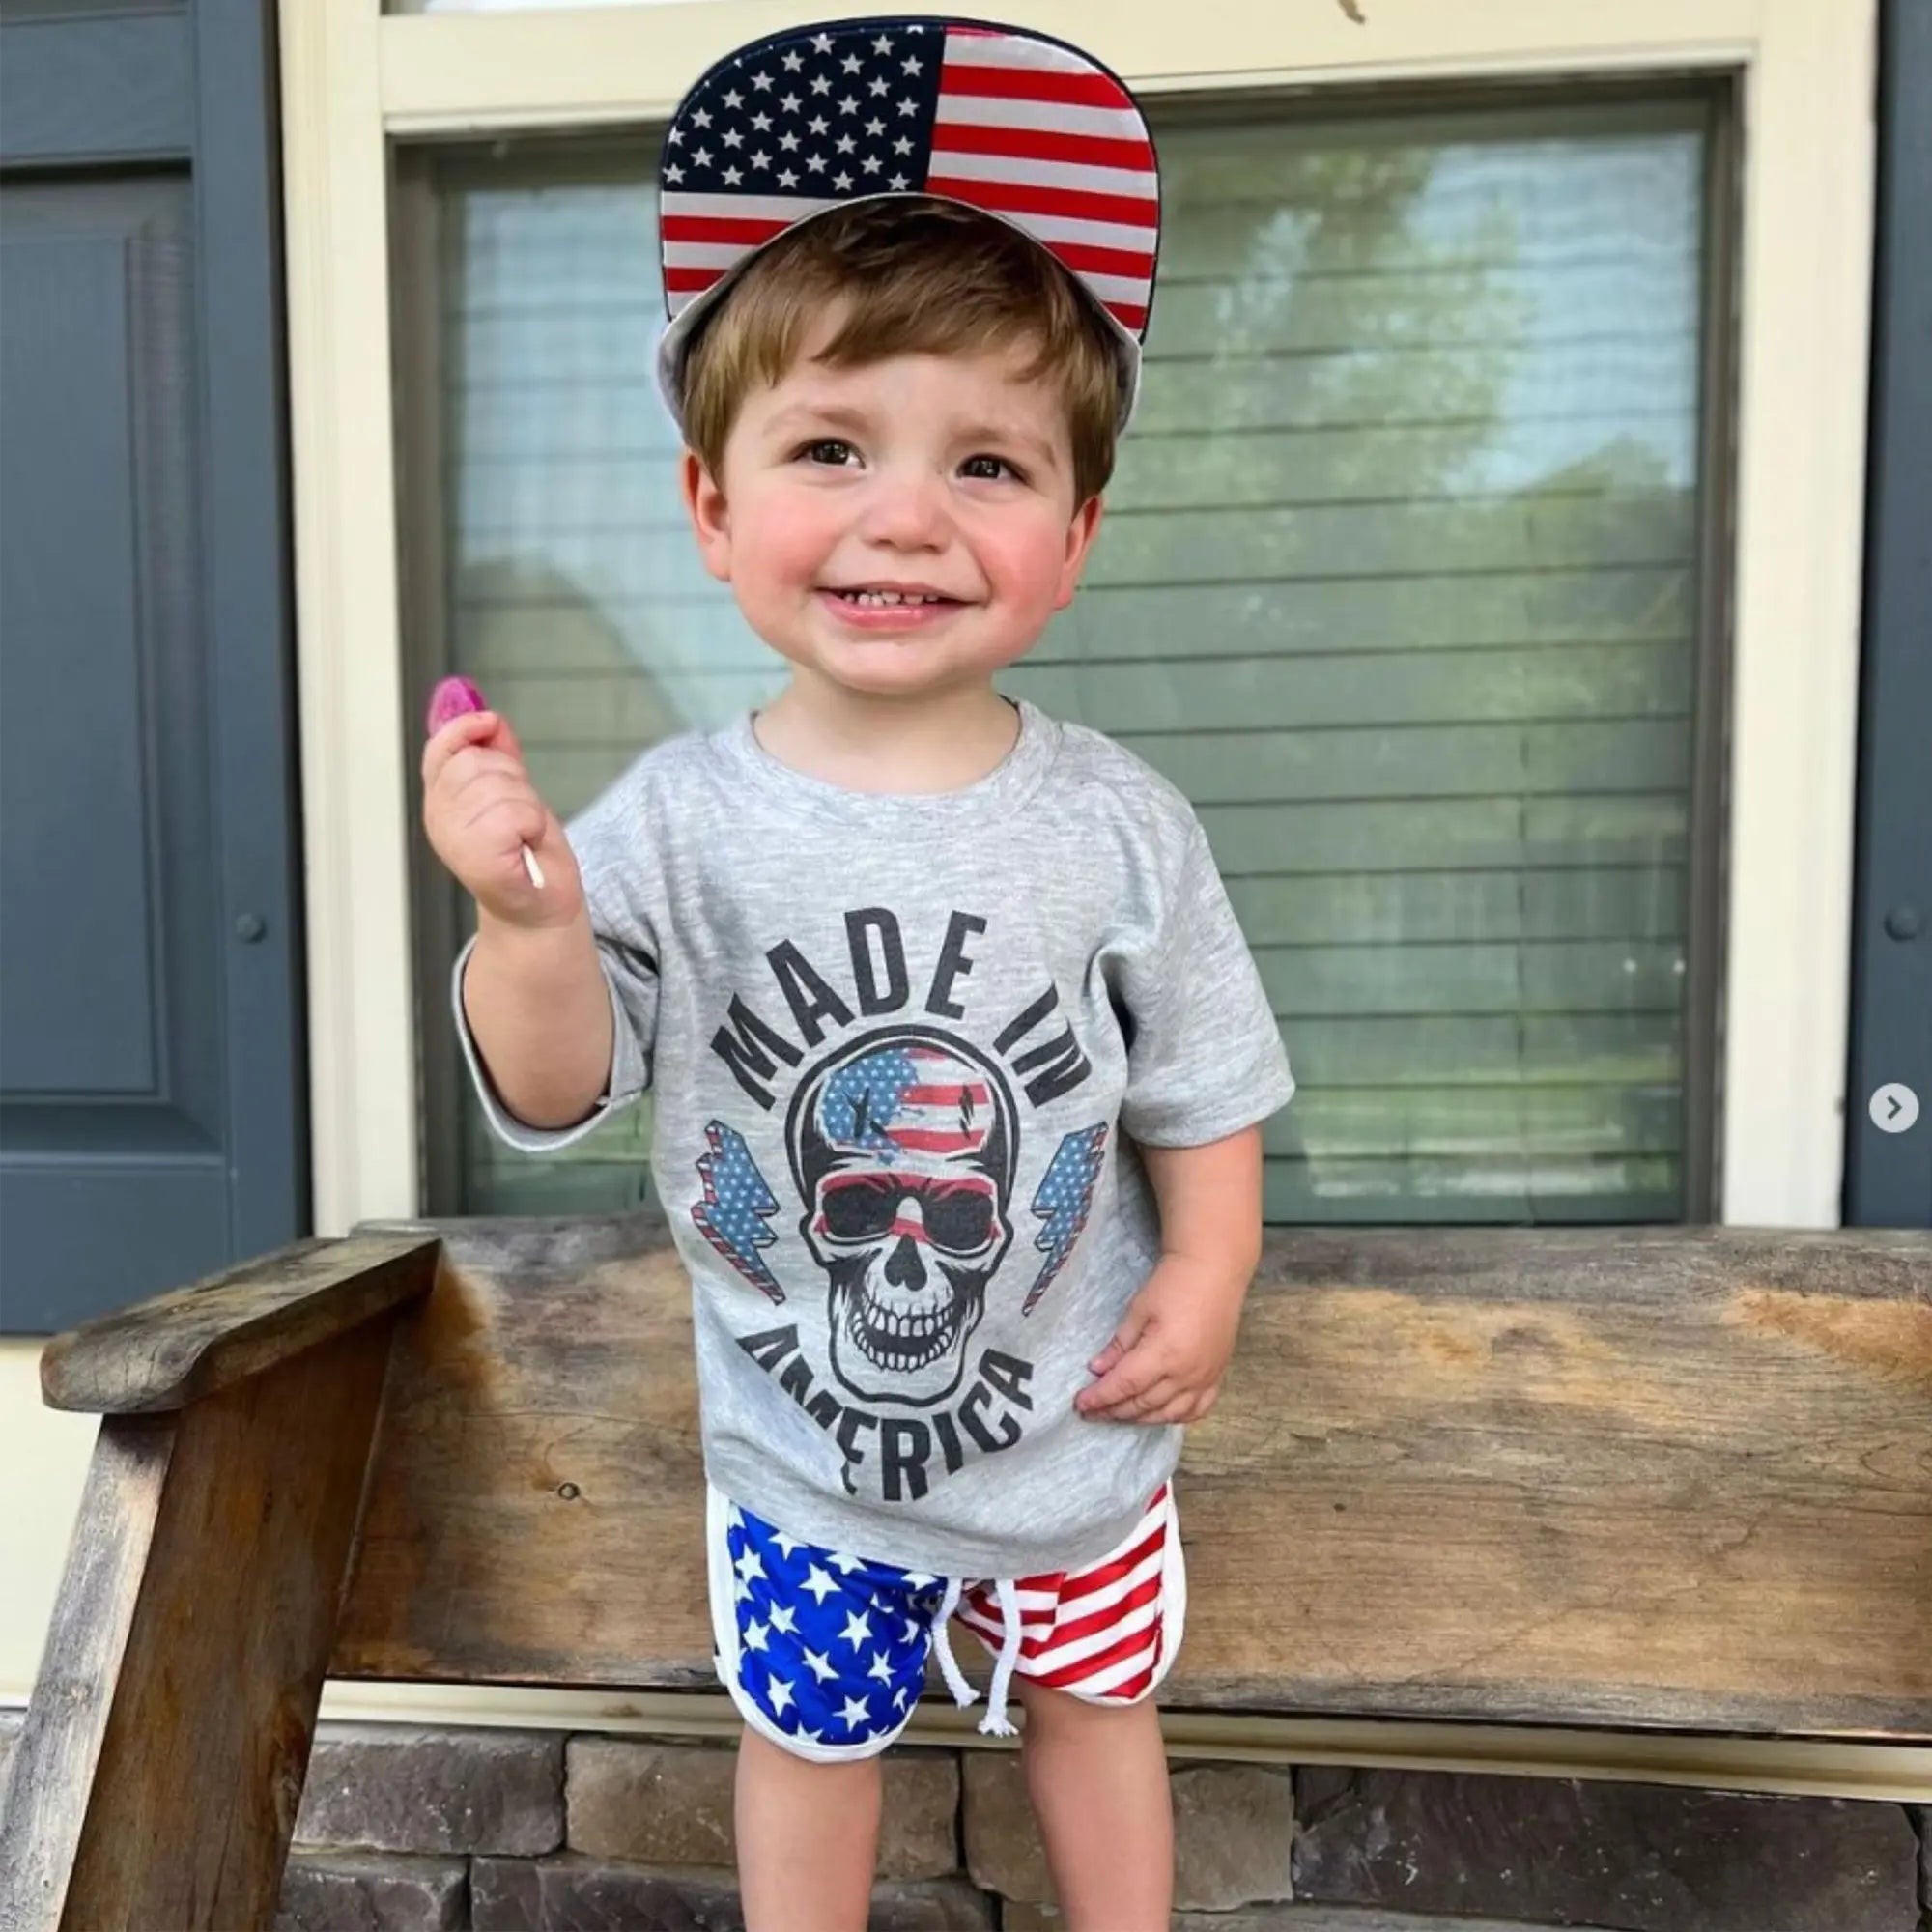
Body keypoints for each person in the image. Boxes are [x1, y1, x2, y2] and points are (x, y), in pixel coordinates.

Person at [421, 16, 1294, 1929]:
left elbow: (1201, 1079)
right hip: (806, 1461)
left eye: (984, 464)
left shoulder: (1122, 824)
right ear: (713, 509)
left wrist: (1213, 1271)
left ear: (1070, 539)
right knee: (811, 1736)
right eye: (832, 447)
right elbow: (562, 1085)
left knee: (1097, 1701)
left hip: (1081, 1438)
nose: (906, 512)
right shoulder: (671, 820)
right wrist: (528, 924)